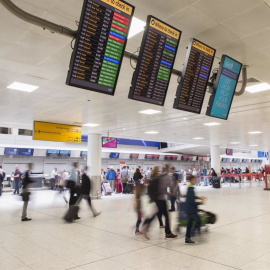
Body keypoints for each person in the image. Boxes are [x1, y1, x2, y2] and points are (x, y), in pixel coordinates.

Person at [142, 165, 177, 239]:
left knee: (155, 214)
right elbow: (166, 188)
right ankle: (167, 233)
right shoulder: (165, 177)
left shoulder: (157, 176)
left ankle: (146, 225)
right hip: (161, 200)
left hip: (156, 199)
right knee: (166, 216)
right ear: (168, 169)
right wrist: (171, 192)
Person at [185, 176, 205, 244]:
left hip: (189, 209)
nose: (196, 181)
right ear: (191, 180)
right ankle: (192, 233)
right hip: (191, 210)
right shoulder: (190, 189)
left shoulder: (190, 187)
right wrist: (200, 202)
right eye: (194, 180)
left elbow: (191, 197)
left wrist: (198, 197)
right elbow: (191, 201)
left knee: (190, 223)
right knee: (198, 221)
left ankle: (188, 237)